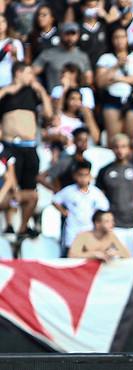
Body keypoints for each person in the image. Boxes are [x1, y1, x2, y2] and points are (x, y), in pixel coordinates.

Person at [0, 62, 52, 239]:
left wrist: (42, 91)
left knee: (30, 189)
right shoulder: (5, 92)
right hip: (10, 145)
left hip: (29, 146)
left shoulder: (32, 93)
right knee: (10, 186)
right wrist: (8, 91)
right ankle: (8, 225)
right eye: (29, 73)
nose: (32, 77)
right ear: (18, 73)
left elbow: (48, 115)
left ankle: (23, 227)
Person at [95, 133, 133, 255]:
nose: (120, 150)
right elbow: (98, 197)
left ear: (129, 149)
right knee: (116, 259)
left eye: (123, 147)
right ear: (112, 148)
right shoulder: (105, 171)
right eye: (117, 147)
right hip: (114, 225)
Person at [95, 26, 133, 140]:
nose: (120, 40)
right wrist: (116, 66)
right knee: (114, 139)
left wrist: (120, 79)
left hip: (132, 99)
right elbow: (100, 82)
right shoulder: (105, 58)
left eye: (123, 37)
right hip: (112, 100)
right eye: (116, 37)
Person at [52, 161, 110, 251]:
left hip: (90, 231)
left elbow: (104, 208)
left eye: (86, 175)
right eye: (80, 175)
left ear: (90, 176)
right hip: (72, 232)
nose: (83, 178)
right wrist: (63, 211)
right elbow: (55, 200)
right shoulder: (68, 191)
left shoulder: (95, 192)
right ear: (75, 176)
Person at [32, 22, 92, 92]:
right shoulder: (48, 54)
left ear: (78, 35)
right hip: (55, 97)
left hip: (77, 99)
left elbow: (88, 80)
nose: (70, 37)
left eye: (73, 34)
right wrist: (40, 90)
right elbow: (31, 73)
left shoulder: (83, 56)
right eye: (67, 34)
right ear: (61, 35)